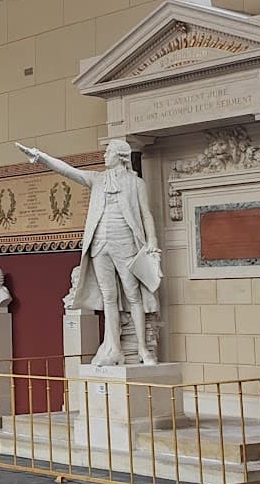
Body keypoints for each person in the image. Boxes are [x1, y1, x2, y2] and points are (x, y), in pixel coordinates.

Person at [16, 137, 161, 366]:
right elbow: (68, 171)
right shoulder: (98, 179)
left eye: (108, 152)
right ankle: (115, 350)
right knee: (108, 297)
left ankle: (142, 349)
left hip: (125, 241)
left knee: (133, 295)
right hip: (99, 243)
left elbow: (146, 214)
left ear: (120, 156)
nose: (104, 155)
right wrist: (40, 156)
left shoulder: (136, 183)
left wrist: (152, 240)